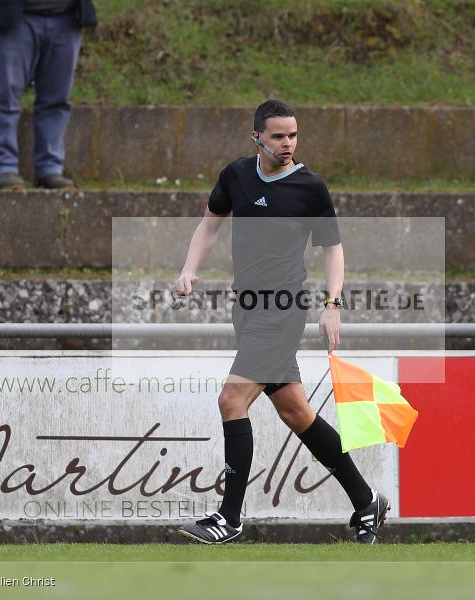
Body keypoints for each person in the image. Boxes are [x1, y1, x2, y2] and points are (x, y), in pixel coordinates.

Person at [172, 100, 390, 544]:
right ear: (257, 137)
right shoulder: (236, 175)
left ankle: (228, 518)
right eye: (277, 136)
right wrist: (189, 268)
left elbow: (333, 248)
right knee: (296, 412)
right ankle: (366, 500)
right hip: (247, 309)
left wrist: (333, 304)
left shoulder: (310, 186)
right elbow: (210, 224)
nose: (287, 143)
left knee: (232, 399)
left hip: (283, 308)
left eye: (292, 135)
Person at [0, 0, 97, 190]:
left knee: (57, 100)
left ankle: (50, 168)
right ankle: (3, 167)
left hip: (66, 17)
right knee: (6, 97)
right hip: (15, 17)